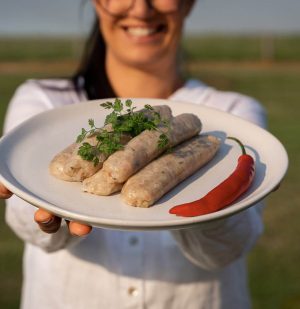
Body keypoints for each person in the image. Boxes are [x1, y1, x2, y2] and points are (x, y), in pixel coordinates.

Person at [1, 0, 267, 308]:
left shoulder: (234, 114)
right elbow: (26, 223)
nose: (141, 9)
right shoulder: (40, 102)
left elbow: (231, 247)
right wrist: (35, 203)